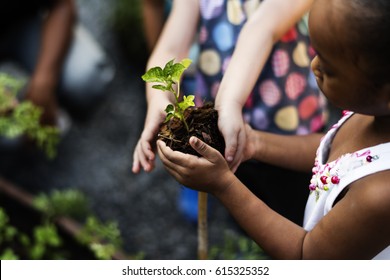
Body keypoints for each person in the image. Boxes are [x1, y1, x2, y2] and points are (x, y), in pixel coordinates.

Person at [157, 0, 390, 259]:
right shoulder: (374, 113)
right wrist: (256, 143)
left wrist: (224, 186)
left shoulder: (380, 195)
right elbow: (334, 151)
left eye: (328, 67)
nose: (313, 65)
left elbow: (305, 256)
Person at [133, 0, 327, 225]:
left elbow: (263, 27)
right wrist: (158, 98)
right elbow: (171, 46)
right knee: (236, 194)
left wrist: (227, 104)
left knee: (290, 207)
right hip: (220, 122)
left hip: (288, 122)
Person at [0, 0, 115, 128]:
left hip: (22, 22)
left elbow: (62, 4)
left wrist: (43, 83)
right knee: (9, 139)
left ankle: (50, 112)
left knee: (85, 80)